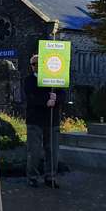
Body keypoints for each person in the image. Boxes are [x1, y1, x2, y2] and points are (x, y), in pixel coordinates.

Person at [24, 54, 65, 189]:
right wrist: (46, 100)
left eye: (38, 63)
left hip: (52, 120)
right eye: (33, 64)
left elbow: (63, 95)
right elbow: (30, 97)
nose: (35, 66)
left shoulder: (55, 80)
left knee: (52, 151)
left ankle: (50, 177)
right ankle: (32, 177)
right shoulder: (29, 80)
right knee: (34, 151)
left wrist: (56, 98)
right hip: (35, 120)